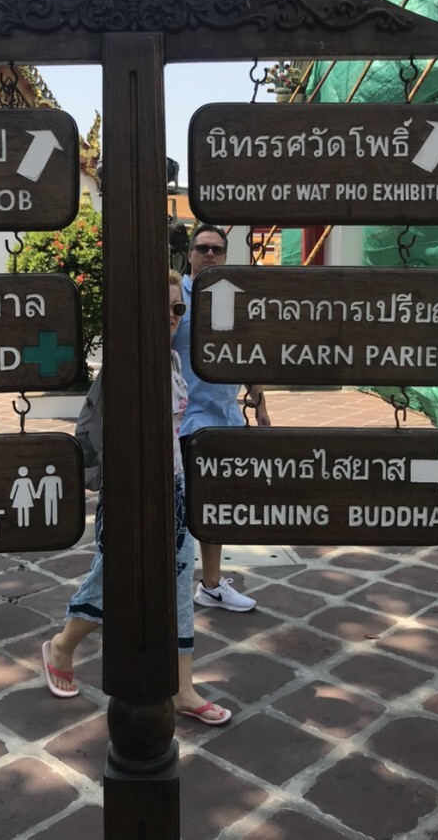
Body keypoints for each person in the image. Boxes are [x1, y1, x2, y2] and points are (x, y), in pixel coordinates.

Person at [42, 270, 231, 726]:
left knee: (179, 586)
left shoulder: (172, 361)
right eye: (163, 307)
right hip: (131, 493)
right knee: (115, 579)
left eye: (178, 308)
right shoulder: (127, 364)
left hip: (174, 488)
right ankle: (62, 646)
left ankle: (182, 687)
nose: (172, 316)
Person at [172, 224, 271, 612]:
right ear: (190, 255)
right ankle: (176, 586)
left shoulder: (234, 298)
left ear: (226, 255)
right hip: (184, 421)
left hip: (225, 418)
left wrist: (259, 401)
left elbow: (247, 351)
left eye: (217, 249)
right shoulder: (176, 297)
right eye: (202, 248)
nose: (210, 254)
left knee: (215, 504)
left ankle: (211, 585)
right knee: (182, 508)